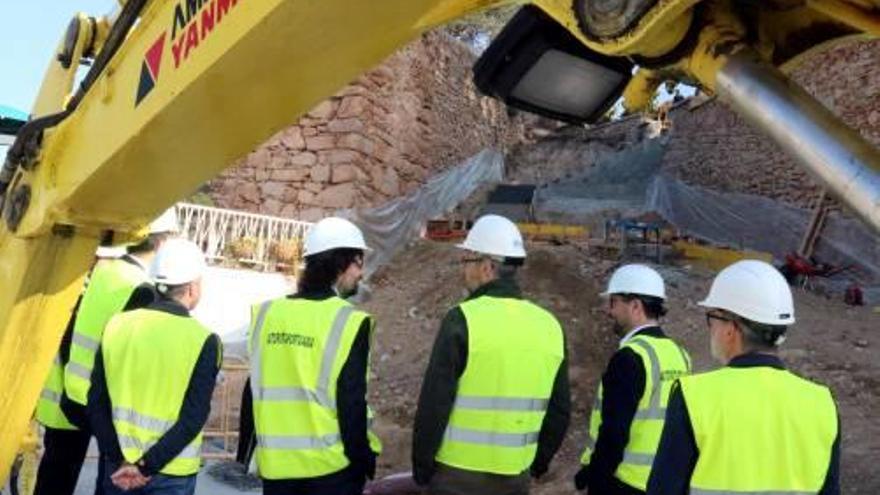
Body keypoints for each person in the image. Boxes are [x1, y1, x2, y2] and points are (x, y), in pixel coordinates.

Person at [647, 260, 840, 494]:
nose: (711, 329)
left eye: (712, 319)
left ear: (731, 329)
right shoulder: (822, 404)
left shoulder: (695, 397)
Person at [412, 214, 570, 495]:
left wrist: (422, 467)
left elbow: (435, 402)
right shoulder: (550, 327)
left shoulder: (462, 319)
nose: (464, 271)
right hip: (515, 478)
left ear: (486, 267)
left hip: (455, 477)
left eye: (467, 262)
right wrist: (536, 465)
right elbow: (559, 412)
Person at [33, 207, 178, 495]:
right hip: (105, 402)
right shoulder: (142, 288)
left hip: (72, 393)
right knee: (110, 479)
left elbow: (70, 331)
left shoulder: (100, 271)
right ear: (161, 243)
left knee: (55, 477)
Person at [248, 217, 382, 495]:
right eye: (359, 263)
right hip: (330, 470)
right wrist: (363, 460)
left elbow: (254, 386)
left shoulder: (266, 314)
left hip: (276, 469)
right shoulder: (349, 321)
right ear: (340, 264)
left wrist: (244, 452)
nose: (361, 273)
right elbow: (351, 402)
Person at [89, 238, 221, 495]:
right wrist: (145, 466)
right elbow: (193, 417)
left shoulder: (116, 325)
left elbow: (96, 403)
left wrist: (122, 460)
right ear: (192, 288)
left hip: (117, 470)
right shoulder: (205, 340)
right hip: (170, 475)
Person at [575, 264, 691, 495]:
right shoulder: (680, 355)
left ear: (635, 306)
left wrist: (595, 479)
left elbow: (614, 432)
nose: (610, 311)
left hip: (624, 483)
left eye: (614, 302)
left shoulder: (630, 357)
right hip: (664, 483)